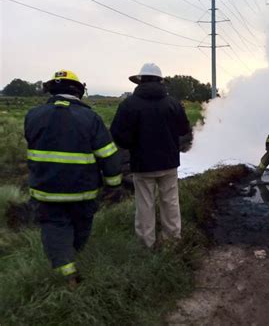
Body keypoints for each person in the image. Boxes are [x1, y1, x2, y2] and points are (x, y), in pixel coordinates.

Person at [25, 70, 122, 286]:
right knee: (80, 229)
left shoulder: (32, 115)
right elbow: (108, 156)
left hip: (46, 192)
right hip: (83, 193)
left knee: (55, 230)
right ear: (79, 91)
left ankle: (66, 271)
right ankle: (70, 274)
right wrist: (114, 185)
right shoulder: (91, 118)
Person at [110, 63, 191, 249]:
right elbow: (183, 129)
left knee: (144, 204)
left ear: (140, 80)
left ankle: (146, 243)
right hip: (169, 163)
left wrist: (131, 146)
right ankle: (172, 240)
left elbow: (118, 134)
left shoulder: (129, 104)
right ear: (160, 81)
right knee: (170, 201)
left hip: (142, 164)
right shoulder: (173, 103)